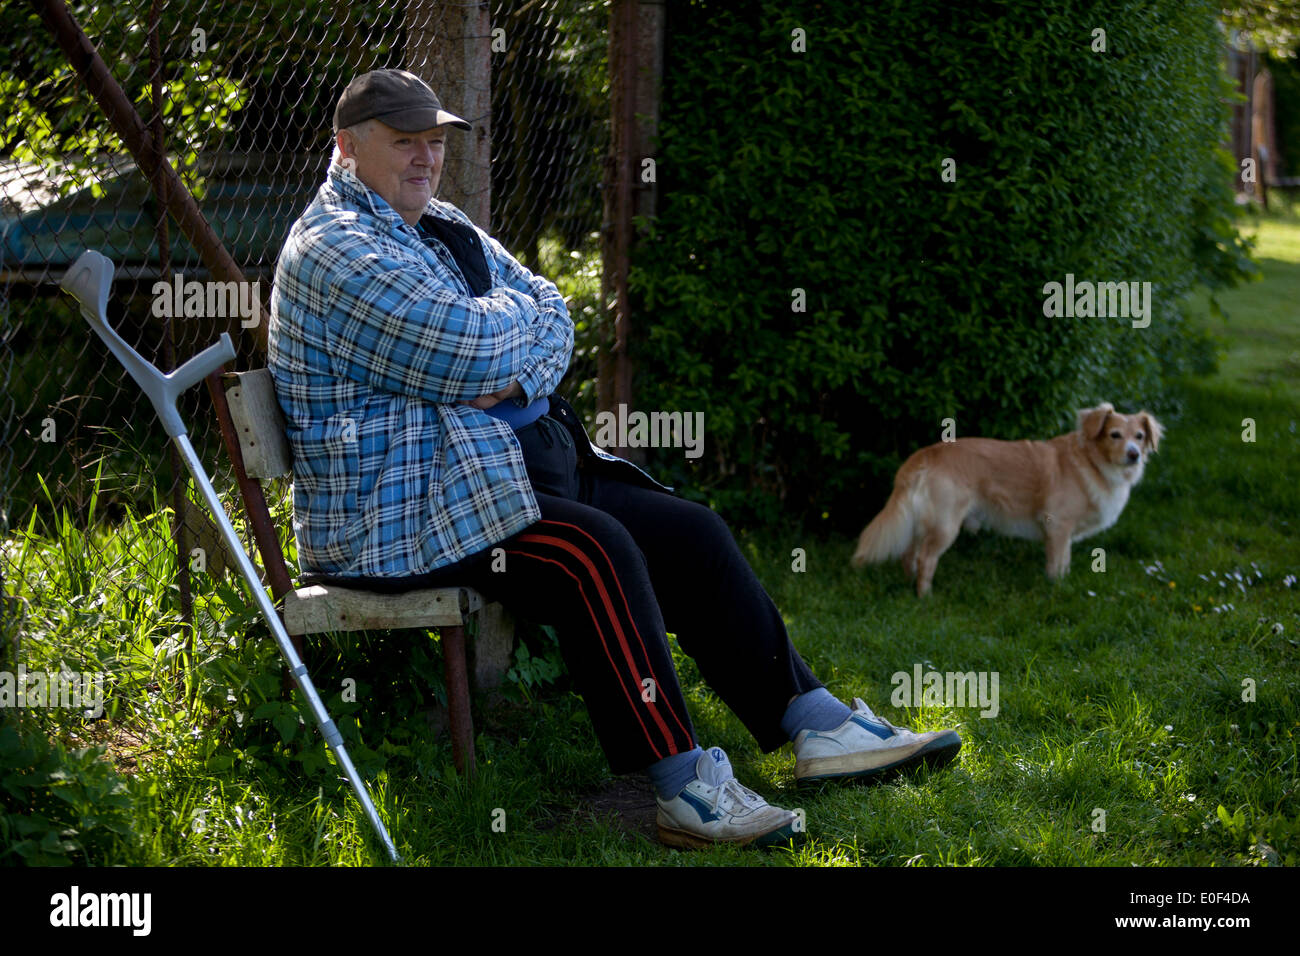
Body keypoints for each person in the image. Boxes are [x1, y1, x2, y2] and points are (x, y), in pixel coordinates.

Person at [268, 68, 962, 849]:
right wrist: (503, 341)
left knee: (690, 532)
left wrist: (511, 357)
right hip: (409, 511)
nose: (427, 157)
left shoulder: (434, 220)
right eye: (406, 142)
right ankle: (684, 788)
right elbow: (467, 351)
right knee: (592, 553)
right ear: (348, 148)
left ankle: (815, 723)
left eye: (434, 141)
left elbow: (553, 306)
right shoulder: (339, 249)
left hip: (490, 475)